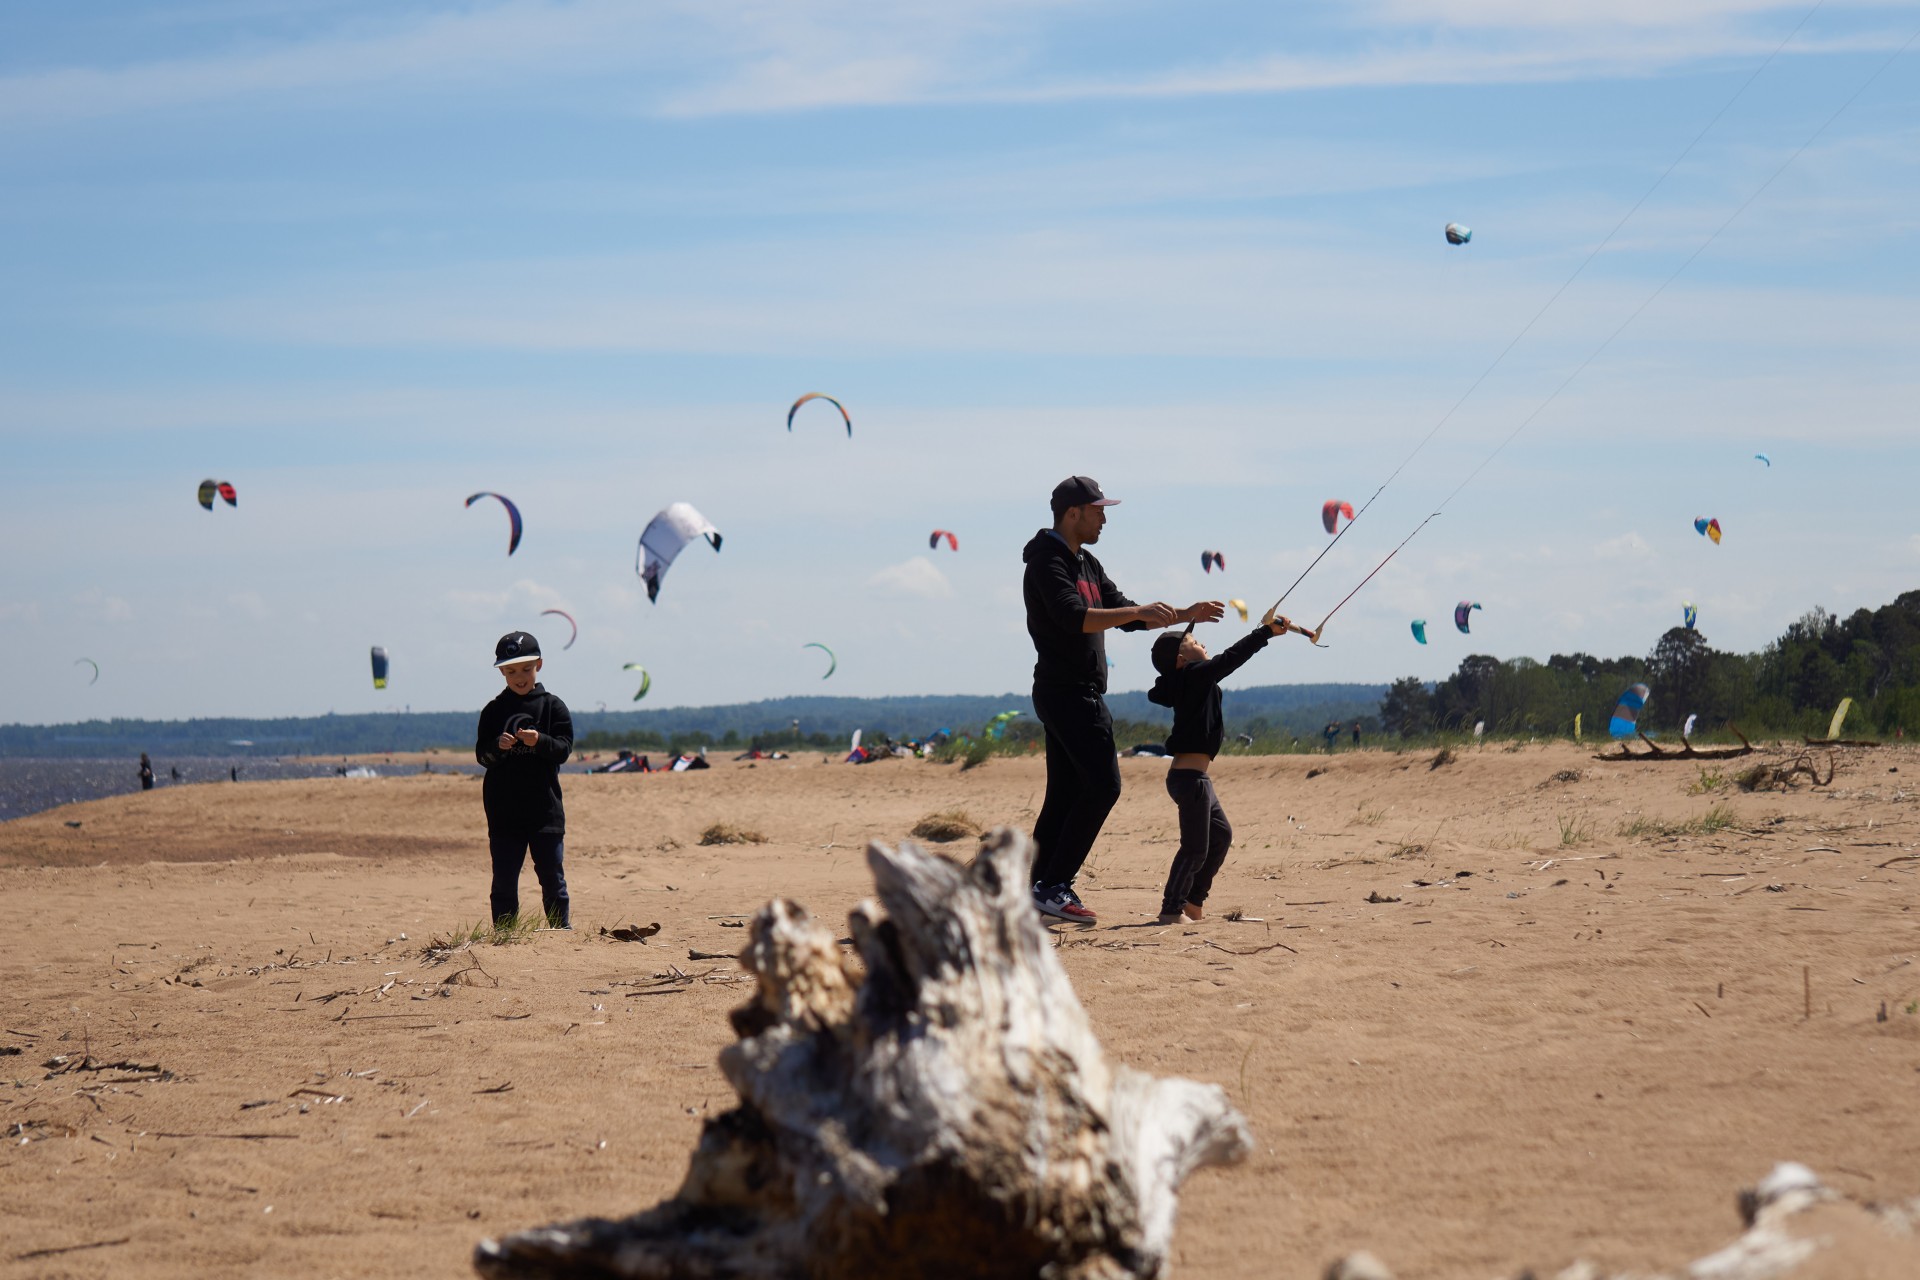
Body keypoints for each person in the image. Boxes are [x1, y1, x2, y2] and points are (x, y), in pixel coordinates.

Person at [1022, 474, 1220, 922]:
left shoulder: (1087, 563)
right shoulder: (1046, 564)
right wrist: (1136, 611)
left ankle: (1034, 888)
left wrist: (1184, 613)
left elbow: (1125, 614)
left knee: (1065, 793)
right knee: (1104, 785)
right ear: (1073, 514)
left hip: (1075, 692)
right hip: (1065, 691)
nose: (1104, 519)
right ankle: (1053, 886)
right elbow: (1075, 618)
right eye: (1098, 511)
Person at [1148, 607, 1312, 923]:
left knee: (1221, 836)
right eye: (1193, 640)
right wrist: (1264, 633)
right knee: (1195, 848)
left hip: (1197, 779)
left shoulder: (1191, 680)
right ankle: (1171, 909)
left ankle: (1193, 903)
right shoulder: (1194, 676)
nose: (1202, 643)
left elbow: (1171, 685)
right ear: (1182, 659)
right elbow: (1231, 658)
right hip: (1189, 779)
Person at [475, 631, 575, 929]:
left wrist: (539, 740)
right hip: (503, 812)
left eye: (526, 669)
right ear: (501, 672)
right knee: (504, 878)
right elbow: (482, 756)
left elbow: (564, 750)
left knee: (552, 877)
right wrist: (498, 747)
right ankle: (505, 934)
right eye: (511, 671)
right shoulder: (493, 710)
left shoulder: (553, 706)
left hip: (545, 811)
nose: (519, 677)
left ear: (539, 665)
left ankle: (560, 931)